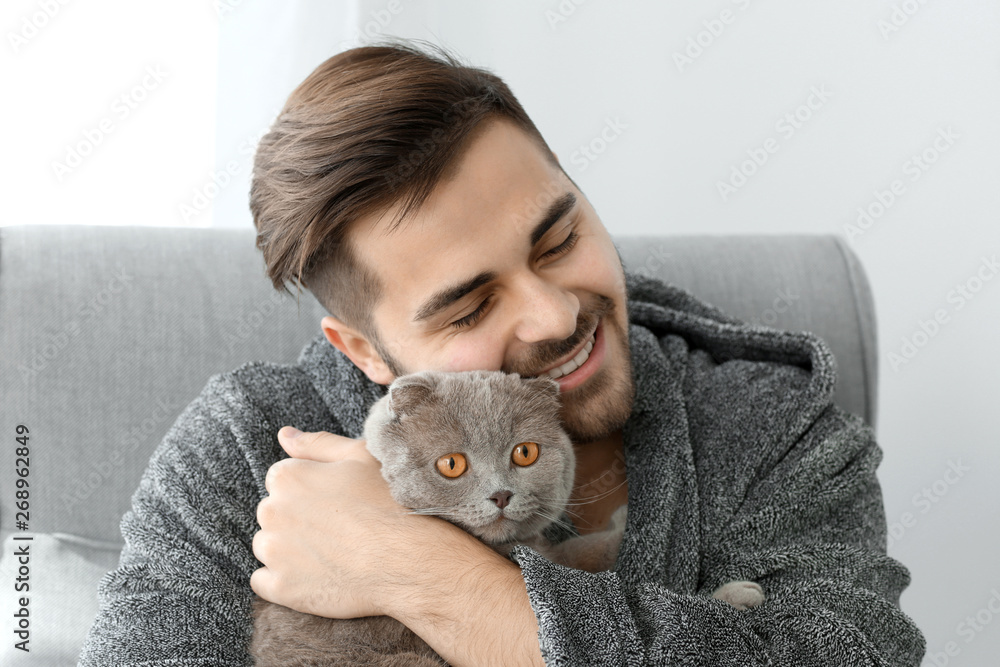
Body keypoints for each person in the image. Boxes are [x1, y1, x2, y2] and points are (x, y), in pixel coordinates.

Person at [79, 38, 926, 666]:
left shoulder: (769, 426)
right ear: (365, 351)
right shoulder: (246, 448)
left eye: (559, 238)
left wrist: (423, 574)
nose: (556, 313)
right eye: (471, 306)